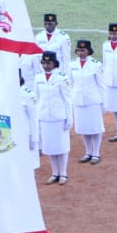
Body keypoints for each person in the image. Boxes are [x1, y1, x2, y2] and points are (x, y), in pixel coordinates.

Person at [35, 51, 72, 185]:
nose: (46, 65)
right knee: (50, 147)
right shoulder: (38, 78)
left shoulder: (62, 77)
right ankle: (54, 172)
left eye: (48, 63)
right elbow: (37, 98)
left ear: (54, 63)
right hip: (45, 116)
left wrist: (69, 118)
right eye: (44, 63)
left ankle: (63, 173)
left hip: (59, 116)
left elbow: (68, 99)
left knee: (61, 146)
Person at [70, 39, 106, 165]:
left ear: (89, 51)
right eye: (79, 50)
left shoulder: (96, 64)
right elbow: (71, 84)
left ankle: (96, 152)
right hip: (78, 101)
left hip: (93, 100)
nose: (80, 53)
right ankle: (88, 152)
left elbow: (101, 84)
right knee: (84, 128)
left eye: (83, 50)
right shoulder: (72, 65)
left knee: (95, 128)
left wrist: (103, 103)